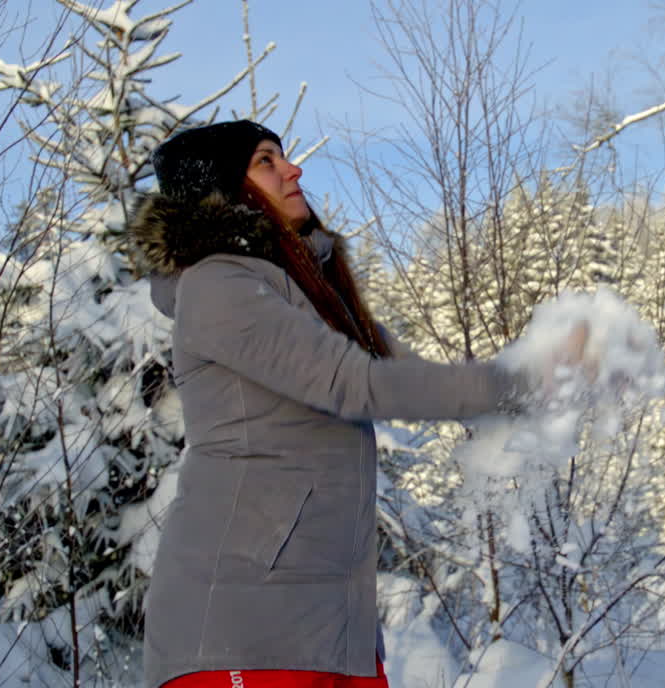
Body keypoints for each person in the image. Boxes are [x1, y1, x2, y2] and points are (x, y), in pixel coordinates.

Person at [130, 120, 579, 687]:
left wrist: (548, 368)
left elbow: (408, 375)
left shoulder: (308, 293)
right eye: (266, 161)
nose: (293, 169)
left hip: (331, 628)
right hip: (242, 629)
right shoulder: (218, 285)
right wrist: (518, 386)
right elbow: (360, 385)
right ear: (222, 191)